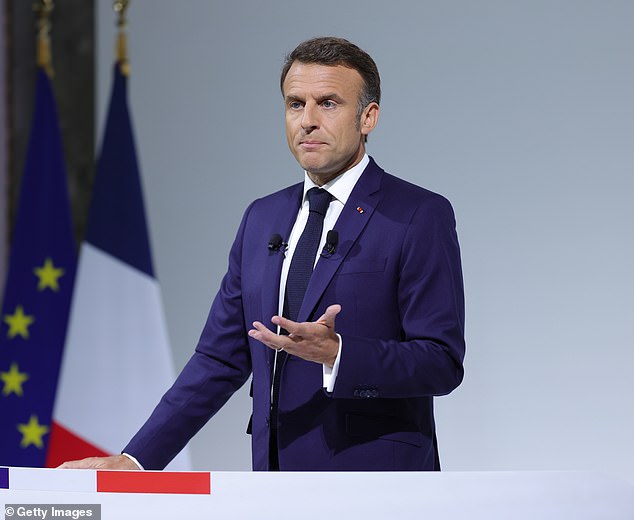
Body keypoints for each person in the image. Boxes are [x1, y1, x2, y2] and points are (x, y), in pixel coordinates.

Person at [61, 36, 465, 472]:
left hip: (376, 483)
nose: (307, 120)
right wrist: (136, 459)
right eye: (295, 104)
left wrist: (339, 354)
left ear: (367, 117)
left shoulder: (418, 214)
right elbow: (219, 359)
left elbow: (441, 361)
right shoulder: (262, 217)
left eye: (328, 103)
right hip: (273, 482)